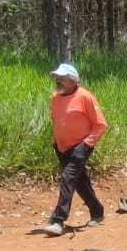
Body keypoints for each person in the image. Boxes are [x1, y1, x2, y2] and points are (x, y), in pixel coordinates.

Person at [44, 62, 107, 237]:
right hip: (61, 146)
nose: (58, 80)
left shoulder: (86, 97)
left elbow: (100, 124)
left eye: (62, 78)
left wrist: (87, 144)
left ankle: (58, 221)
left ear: (73, 80)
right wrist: (55, 142)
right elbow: (56, 120)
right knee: (80, 182)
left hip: (81, 146)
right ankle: (98, 212)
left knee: (67, 179)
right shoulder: (56, 97)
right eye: (57, 77)